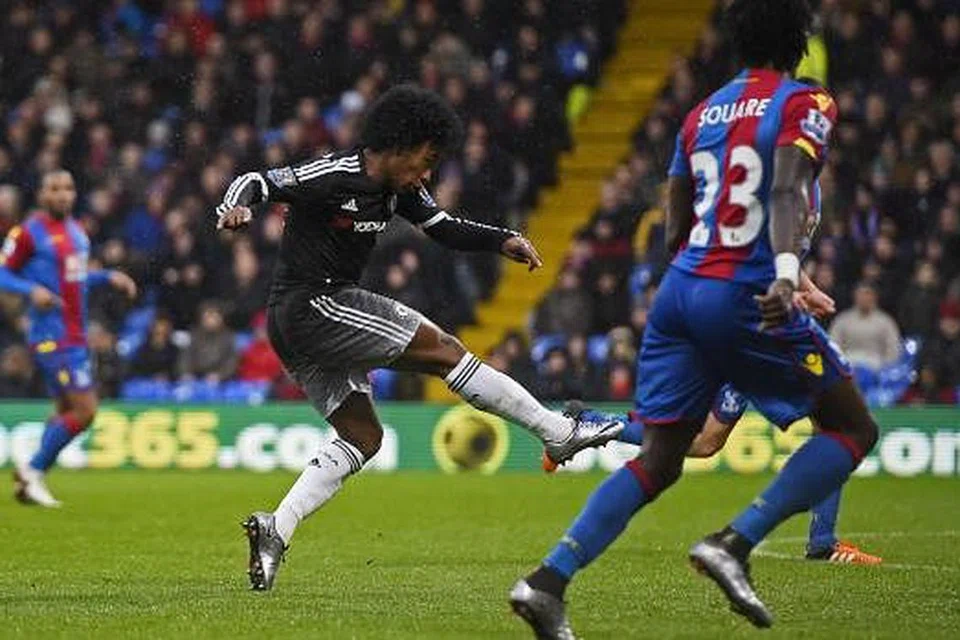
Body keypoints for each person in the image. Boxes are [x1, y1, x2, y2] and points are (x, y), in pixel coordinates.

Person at [511, 2, 879, 634]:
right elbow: (788, 185)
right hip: (749, 294)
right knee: (850, 429)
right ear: (798, 45)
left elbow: (680, 224)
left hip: (681, 292)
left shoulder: (701, 113)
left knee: (664, 456)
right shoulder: (805, 103)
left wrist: (710, 289)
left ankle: (547, 582)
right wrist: (785, 273)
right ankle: (735, 543)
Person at [215, 85, 622, 591]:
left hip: (302, 323)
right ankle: (556, 432)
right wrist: (235, 209)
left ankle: (277, 528)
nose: (427, 175)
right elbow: (255, 179)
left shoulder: (400, 190)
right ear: (397, 145)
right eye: (426, 161)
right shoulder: (334, 174)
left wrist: (502, 240)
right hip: (312, 305)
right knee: (444, 351)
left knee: (365, 437)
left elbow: (444, 227)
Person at [0, 170, 136, 507]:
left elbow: (75, 280)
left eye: (68, 188)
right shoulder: (28, 233)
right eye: (54, 189)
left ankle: (31, 482)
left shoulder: (77, 233)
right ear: (43, 195)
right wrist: (31, 290)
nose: (62, 194)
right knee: (86, 410)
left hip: (75, 333)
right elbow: (2, 272)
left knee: (64, 409)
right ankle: (32, 470)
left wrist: (108, 276)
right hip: (51, 335)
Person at [830, 281, 902, 370]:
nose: (864, 298)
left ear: (875, 297)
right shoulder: (843, 320)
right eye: (861, 294)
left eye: (867, 294)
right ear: (855, 296)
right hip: (848, 364)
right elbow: (833, 343)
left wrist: (886, 368)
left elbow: (893, 348)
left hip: (876, 365)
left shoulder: (885, 321)